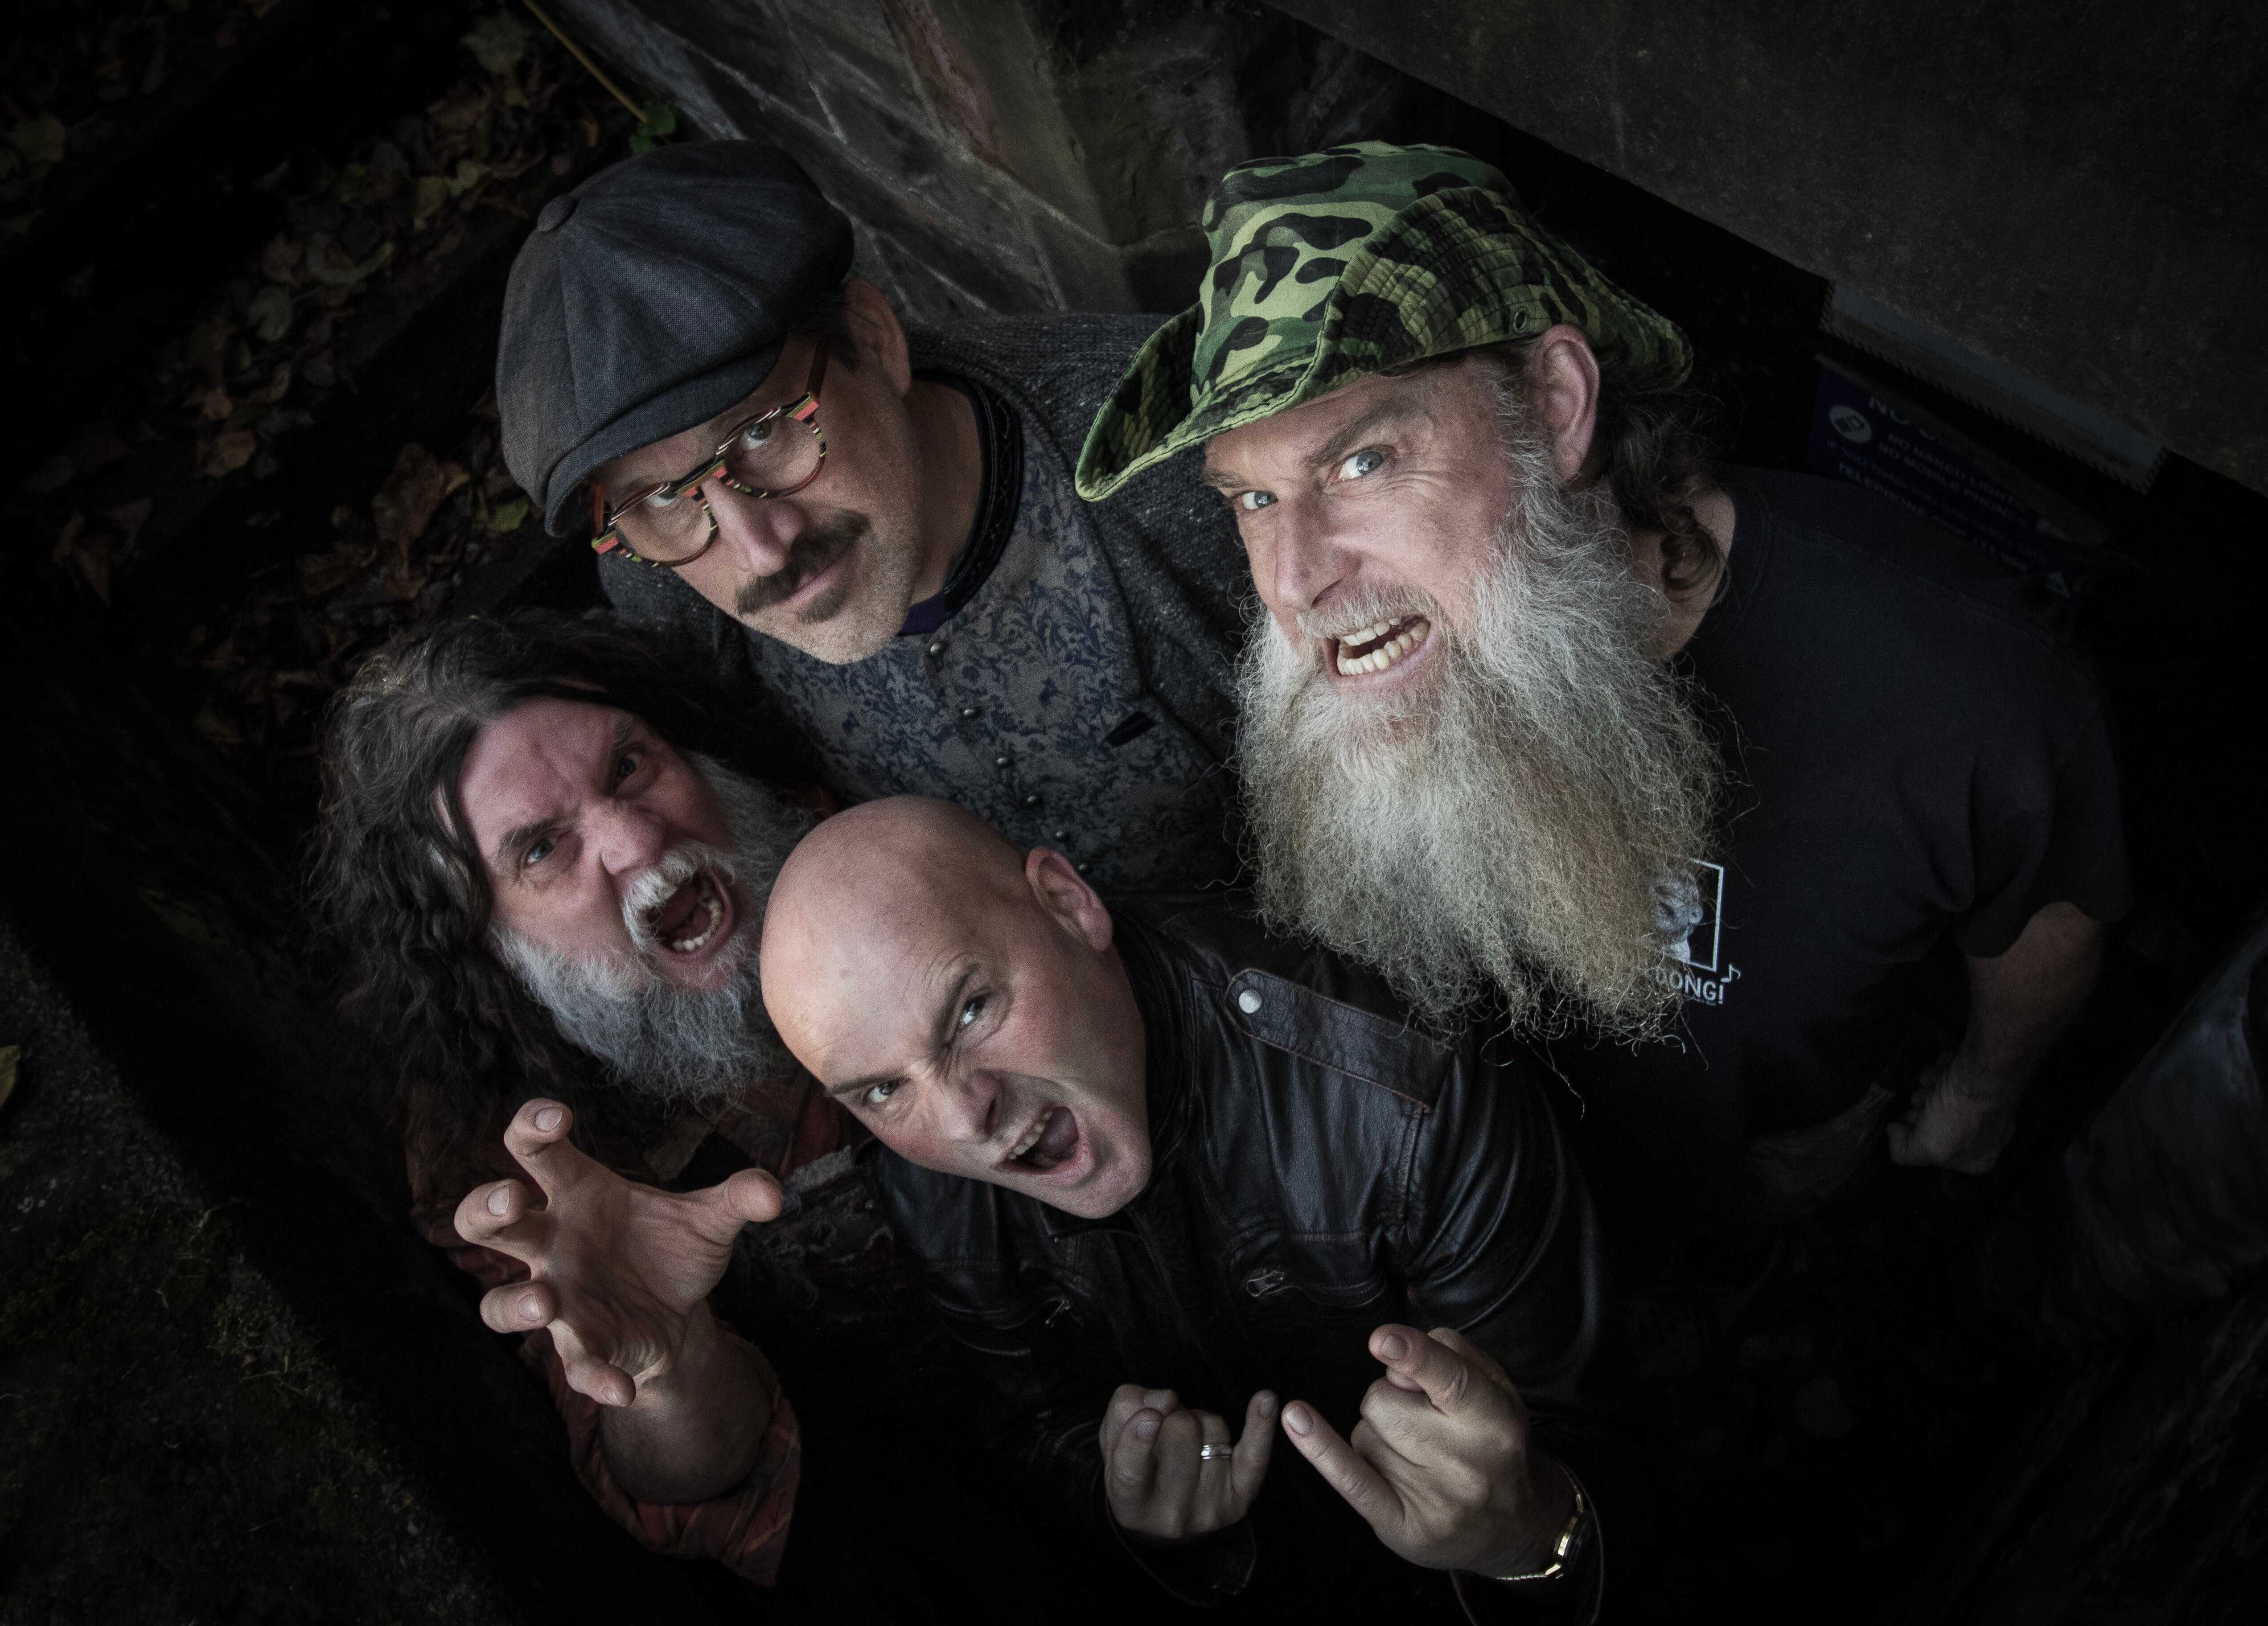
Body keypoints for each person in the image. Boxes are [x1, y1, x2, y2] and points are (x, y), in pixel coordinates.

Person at [1075, 141, 2129, 1235]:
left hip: (1777, 1178)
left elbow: (2048, 919)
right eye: (1251, 499)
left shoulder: (1967, 684)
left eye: (1363, 463)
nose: (1294, 584)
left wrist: (1978, 1095)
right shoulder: (1388, 665)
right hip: (1518, 1197)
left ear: (1556, 405)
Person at [748, 796, 1607, 1618]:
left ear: (1069, 905)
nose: (964, 1120)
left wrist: (1527, 1538)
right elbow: (1026, 1423)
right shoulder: (919, 1181)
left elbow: (1603, 1456)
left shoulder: (1406, 1085)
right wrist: (1127, 1504)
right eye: (884, 1089)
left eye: (971, 1012)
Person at [495, 140, 1251, 893]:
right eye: (664, 495)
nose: (760, 551)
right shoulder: (663, 573)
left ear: (873, 339)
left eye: (762, 433)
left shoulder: (1184, 460)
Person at [309, 611, 854, 1589]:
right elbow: (693, 1496)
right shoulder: (503, 1168)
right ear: (487, 951)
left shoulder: (838, 809)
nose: (639, 842)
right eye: (541, 851)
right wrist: (668, 1370)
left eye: (630, 767)